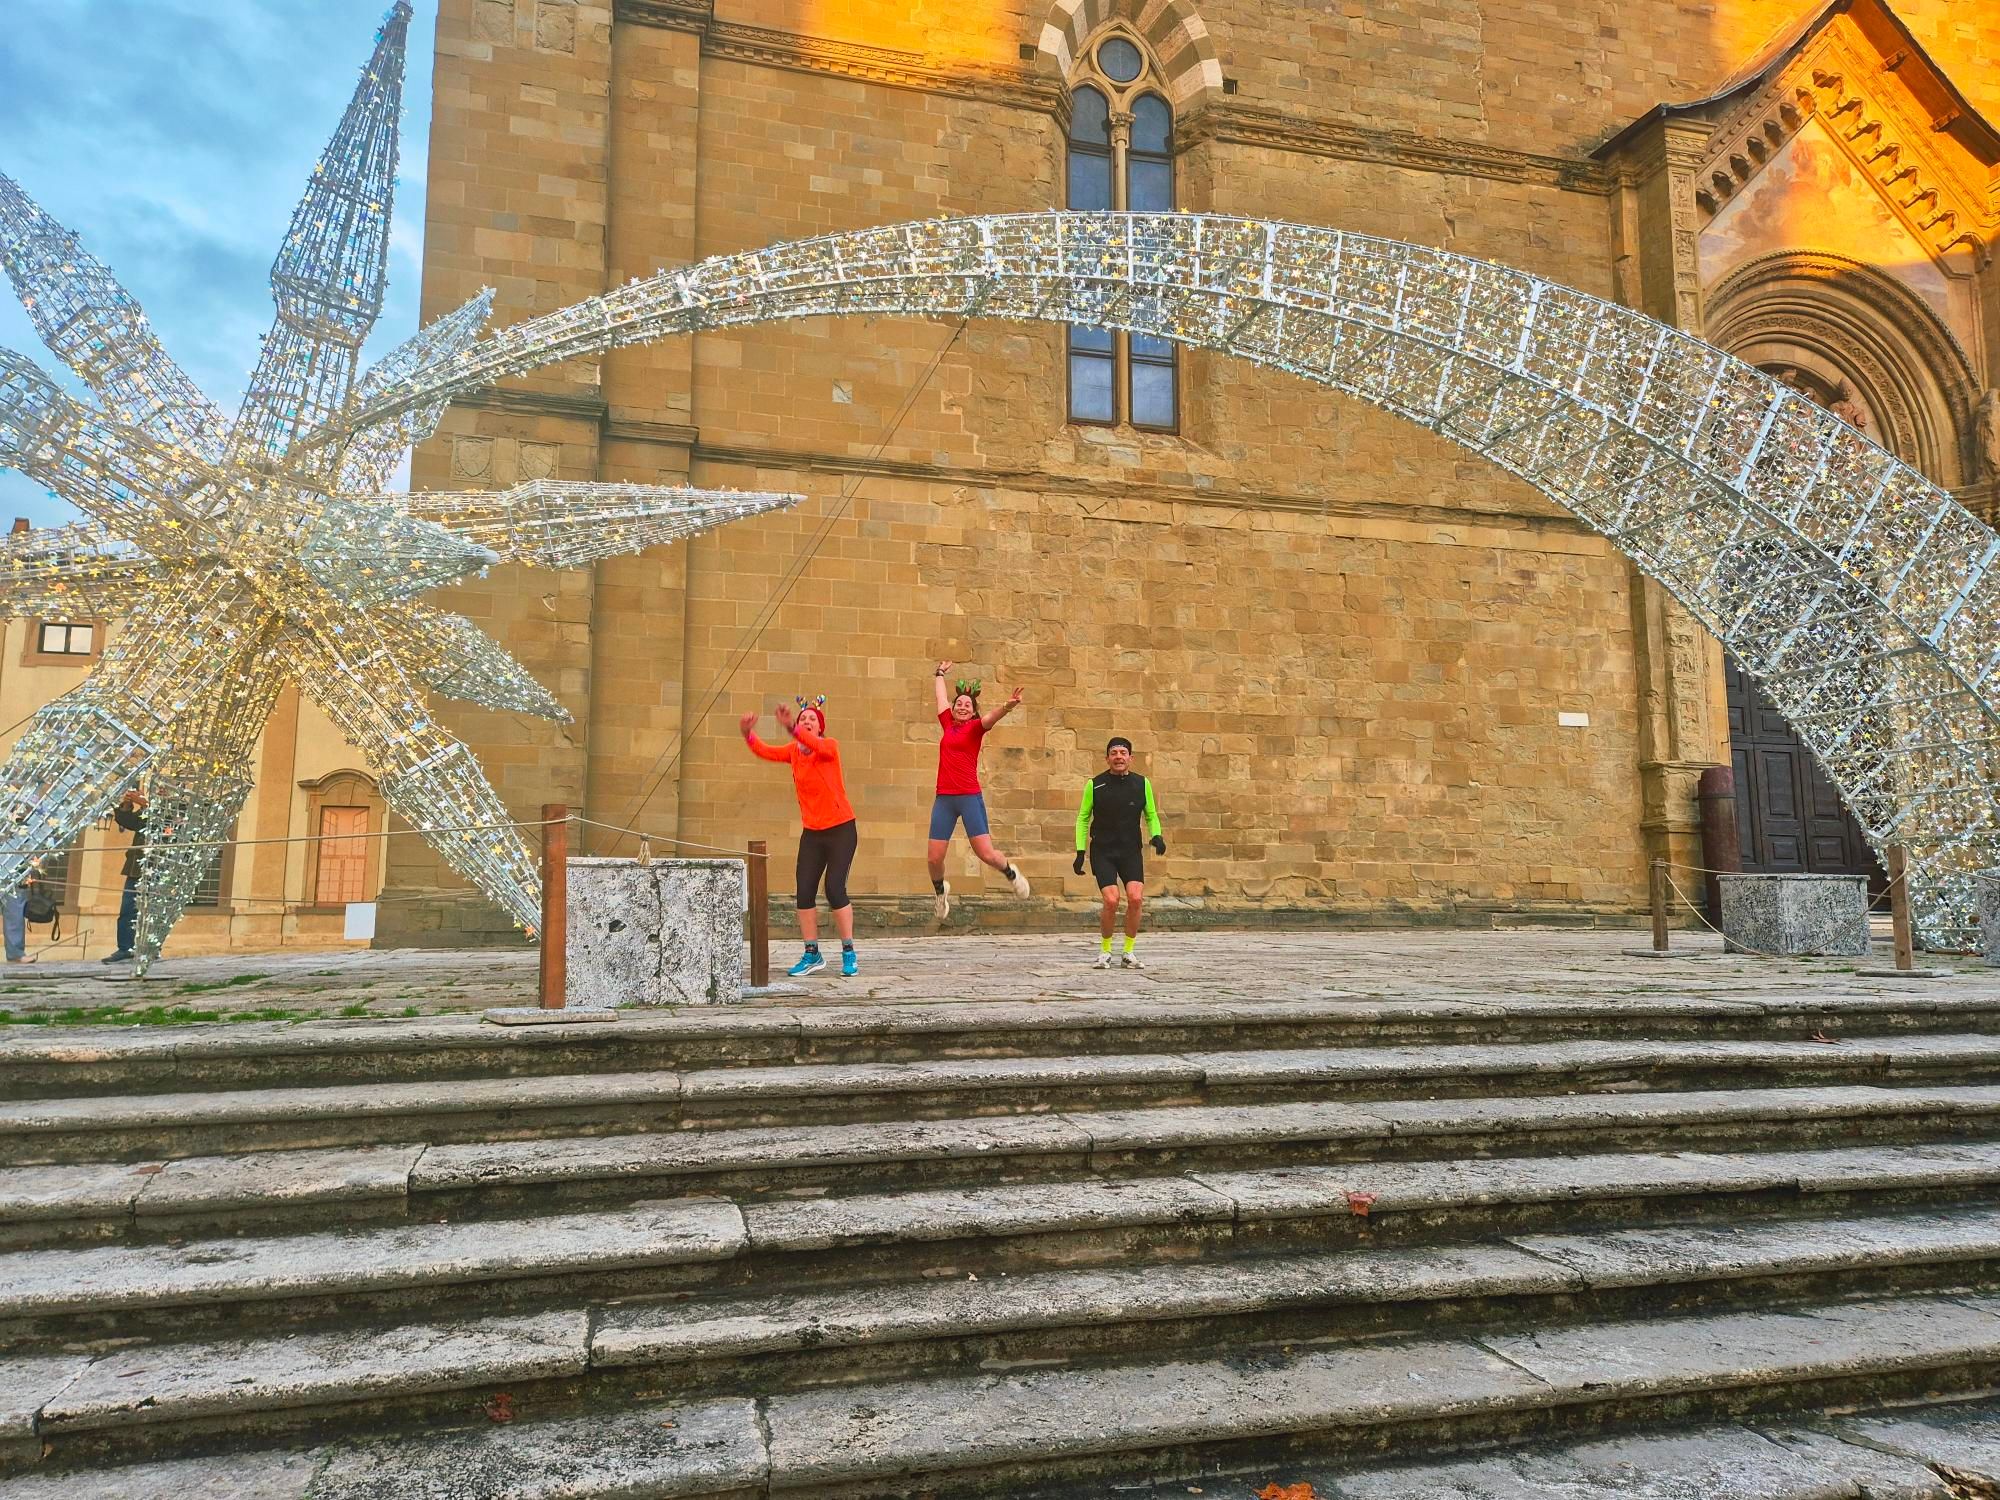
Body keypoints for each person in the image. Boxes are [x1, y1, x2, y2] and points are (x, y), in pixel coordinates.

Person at [741, 695, 860, 978]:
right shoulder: (794, 751)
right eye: (803, 718)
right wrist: (748, 734)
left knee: (834, 889)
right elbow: (766, 751)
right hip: (812, 832)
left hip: (841, 829)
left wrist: (792, 728)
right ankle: (812, 953)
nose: (807, 722)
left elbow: (815, 745)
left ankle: (848, 951)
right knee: (804, 891)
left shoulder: (829, 747)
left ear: (820, 727)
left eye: (812, 720)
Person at [926, 660, 1030, 921]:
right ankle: (940, 892)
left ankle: (1011, 873)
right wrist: (939, 674)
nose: (962, 707)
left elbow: (991, 717)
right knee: (934, 859)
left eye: (967, 705)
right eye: (959, 703)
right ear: (953, 708)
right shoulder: (947, 723)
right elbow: (940, 697)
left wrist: (1008, 706)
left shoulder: (975, 728)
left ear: (972, 712)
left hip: (969, 797)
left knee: (985, 854)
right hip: (944, 799)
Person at [1072, 736, 1166, 968]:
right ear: (1107, 758)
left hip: (1130, 850)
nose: (1118, 757)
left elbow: (1151, 814)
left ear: (1130, 758)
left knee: (1135, 898)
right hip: (1103, 850)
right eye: (1114, 753)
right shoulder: (1094, 785)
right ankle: (1105, 951)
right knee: (1111, 900)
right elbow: (1083, 818)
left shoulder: (1142, 784)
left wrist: (1157, 835)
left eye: (1123, 753)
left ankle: (1128, 953)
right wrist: (1080, 851)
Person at [103, 788, 146, 964]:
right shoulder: (148, 811)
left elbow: (167, 825)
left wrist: (145, 803)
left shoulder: (176, 809)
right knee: (128, 909)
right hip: (136, 867)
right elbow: (130, 822)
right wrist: (127, 805)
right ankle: (125, 948)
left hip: (159, 867)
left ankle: (150, 949)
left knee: (153, 913)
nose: (160, 790)